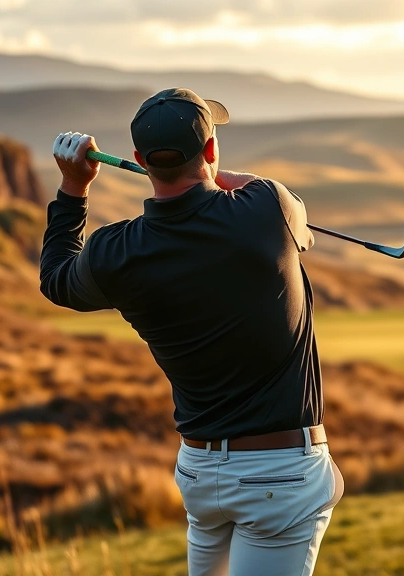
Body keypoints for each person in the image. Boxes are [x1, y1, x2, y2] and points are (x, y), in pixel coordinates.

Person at [39, 88, 343, 576]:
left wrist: (74, 187)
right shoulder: (268, 209)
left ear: (139, 160)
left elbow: (55, 278)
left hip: (201, 475)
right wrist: (214, 176)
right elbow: (270, 197)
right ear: (211, 151)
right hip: (279, 473)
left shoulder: (114, 253)